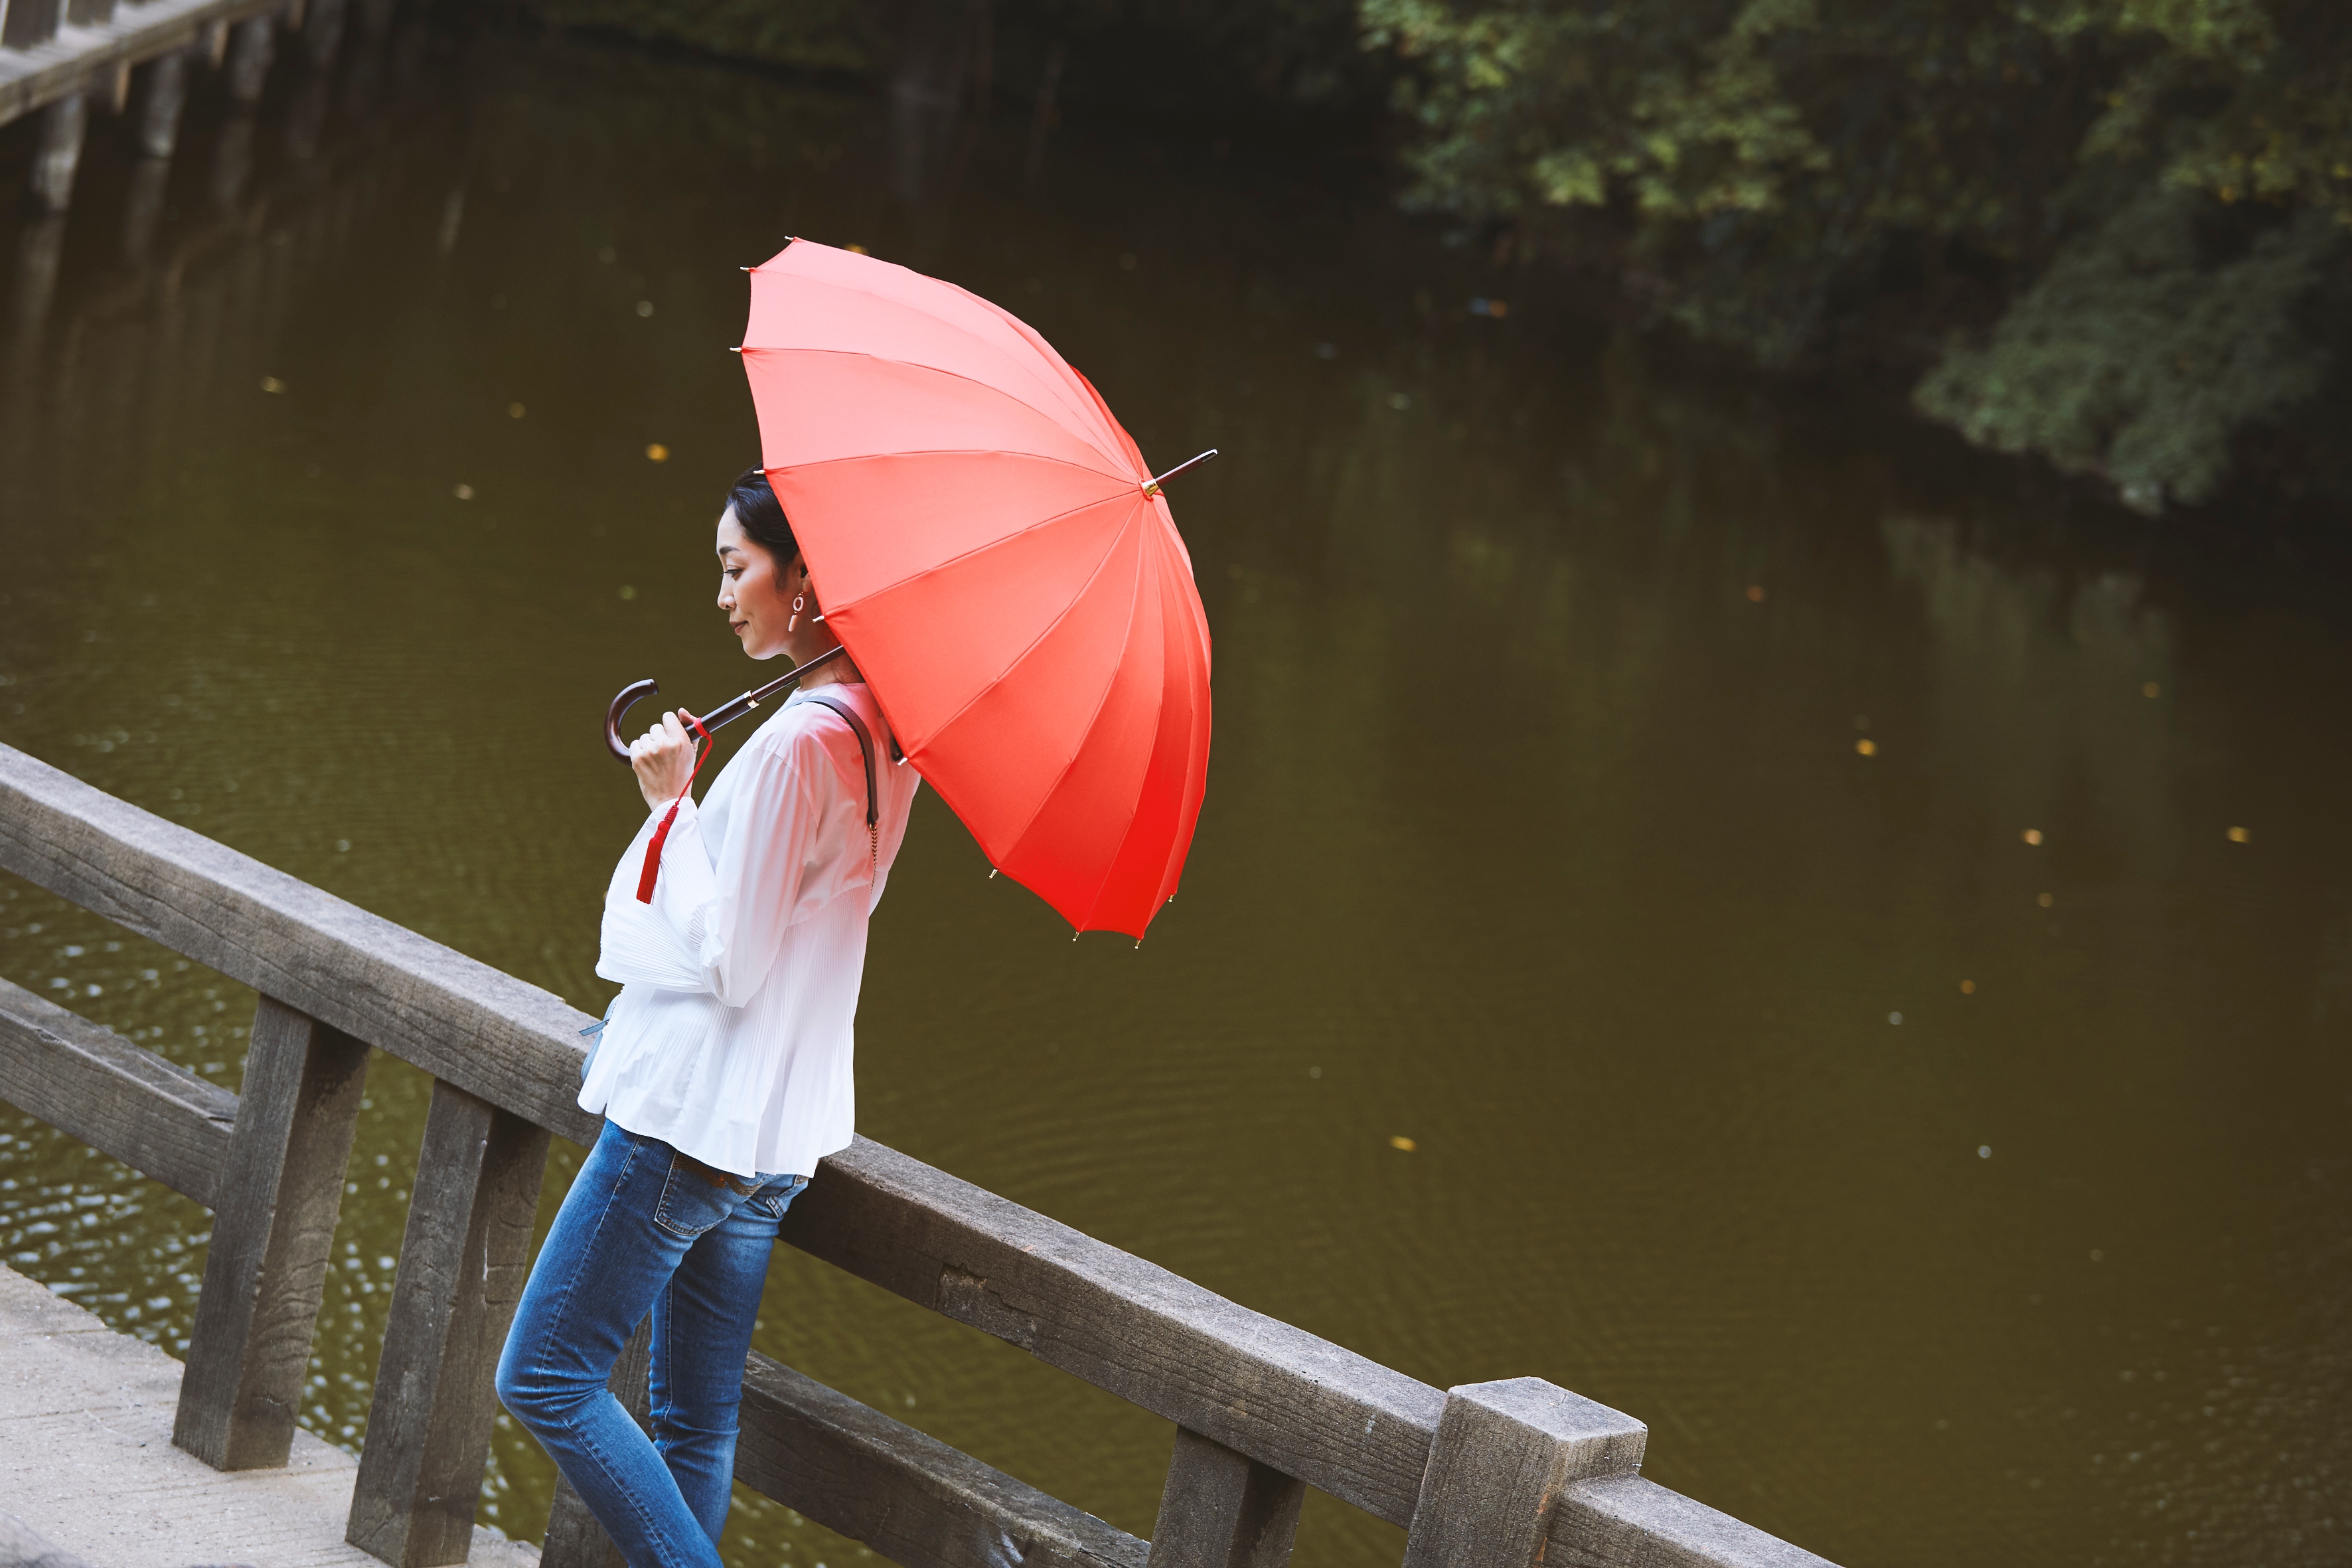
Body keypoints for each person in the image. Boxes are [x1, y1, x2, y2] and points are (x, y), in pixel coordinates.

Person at [495, 467, 919, 1567]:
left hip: (698, 1118)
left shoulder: (794, 744)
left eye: (737, 568)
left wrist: (672, 808)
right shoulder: (884, 733)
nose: (725, 595)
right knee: (694, 1423)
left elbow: (732, 961)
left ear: (806, 577)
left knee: (542, 1371)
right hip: (776, 1133)